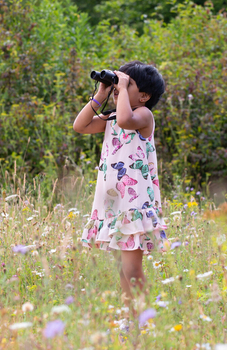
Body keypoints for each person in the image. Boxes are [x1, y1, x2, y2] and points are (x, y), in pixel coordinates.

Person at [73, 61, 167, 306]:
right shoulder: (112, 116)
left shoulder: (143, 116)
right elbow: (80, 126)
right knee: (124, 272)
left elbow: (126, 120)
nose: (119, 86)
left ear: (144, 96)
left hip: (134, 204)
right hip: (115, 203)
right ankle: (132, 318)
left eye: (128, 84)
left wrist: (122, 89)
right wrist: (101, 94)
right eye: (119, 82)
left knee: (133, 270)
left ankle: (142, 319)